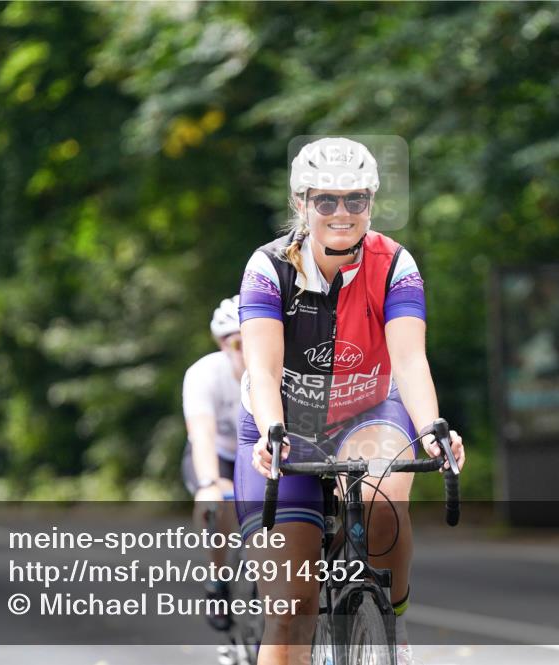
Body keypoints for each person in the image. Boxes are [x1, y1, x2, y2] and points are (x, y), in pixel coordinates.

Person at [235, 137, 465, 665]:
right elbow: (264, 370)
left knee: (386, 498)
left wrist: (432, 426)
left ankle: (393, 623)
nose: (342, 213)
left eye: (355, 200)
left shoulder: (395, 264)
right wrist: (273, 432)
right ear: (301, 204)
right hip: (285, 425)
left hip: (366, 412)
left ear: (371, 203)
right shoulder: (268, 268)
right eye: (326, 201)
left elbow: (409, 362)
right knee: (293, 607)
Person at [181, 296, 246, 631]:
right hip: (218, 455)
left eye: (253, 337)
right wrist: (209, 482)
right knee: (215, 503)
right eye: (236, 342)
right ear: (222, 343)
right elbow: (202, 434)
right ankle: (217, 580)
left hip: (258, 454)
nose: (245, 349)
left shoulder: (278, 369)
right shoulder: (203, 374)